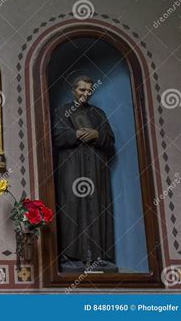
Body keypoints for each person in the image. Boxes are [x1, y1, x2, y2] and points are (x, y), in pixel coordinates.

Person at [52, 75, 117, 272]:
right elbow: (57, 137)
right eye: (82, 90)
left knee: (97, 206)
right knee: (72, 206)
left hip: (96, 170)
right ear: (73, 90)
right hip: (71, 168)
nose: (86, 94)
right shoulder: (62, 111)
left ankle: (97, 255)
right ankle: (71, 255)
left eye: (89, 90)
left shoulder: (98, 113)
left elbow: (110, 138)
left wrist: (97, 134)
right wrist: (77, 134)